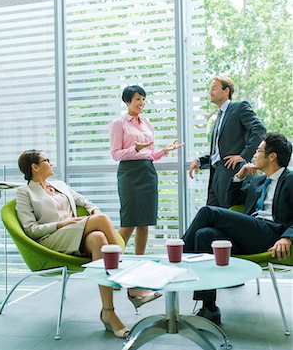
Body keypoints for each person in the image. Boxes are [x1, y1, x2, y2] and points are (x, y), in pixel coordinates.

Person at [16, 149, 129, 338]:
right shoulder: (25, 193)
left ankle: (108, 312)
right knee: (101, 220)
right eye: (46, 160)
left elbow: (85, 202)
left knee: (99, 239)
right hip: (51, 239)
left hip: (75, 235)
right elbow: (30, 230)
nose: (51, 163)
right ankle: (129, 278)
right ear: (34, 167)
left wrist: (92, 210)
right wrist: (61, 223)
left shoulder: (60, 185)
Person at [183, 132, 293, 324]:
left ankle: (178, 258)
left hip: (271, 236)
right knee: (204, 234)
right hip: (250, 234)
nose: (254, 155)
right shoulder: (258, 181)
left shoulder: (290, 180)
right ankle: (209, 308)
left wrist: (287, 238)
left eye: (258, 151)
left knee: (208, 212)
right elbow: (231, 202)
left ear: (272, 156)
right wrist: (239, 176)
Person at [110, 85, 184, 309]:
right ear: (127, 101)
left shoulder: (147, 124)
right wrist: (135, 148)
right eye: (137, 99)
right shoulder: (119, 124)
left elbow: (149, 154)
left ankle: (138, 269)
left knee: (144, 224)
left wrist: (164, 151)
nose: (141, 103)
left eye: (143, 99)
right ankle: (112, 269)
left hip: (148, 172)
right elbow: (115, 154)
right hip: (130, 174)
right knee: (129, 223)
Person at [188, 76, 266, 208]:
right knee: (211, 216)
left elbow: (259, 129)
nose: (210, 92)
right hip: (216, 175)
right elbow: (218, 153)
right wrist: (200, 160)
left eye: (214, 88)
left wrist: (243, 156)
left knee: (226, 215)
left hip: (231, 173)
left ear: (226, 91)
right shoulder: (218, 117)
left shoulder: (239, 107)